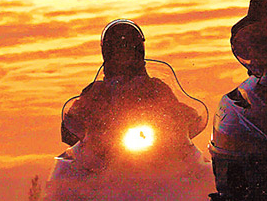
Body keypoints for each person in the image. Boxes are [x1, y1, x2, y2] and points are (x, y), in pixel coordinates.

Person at [61, 20, 206, 147]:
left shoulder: (155, 87)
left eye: (129, 48)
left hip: (156, 155)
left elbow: (175, 108)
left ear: (138, 51)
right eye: (117, 49)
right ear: (108, 53)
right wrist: (73, 125)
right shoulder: (96, 91)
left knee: (197, 167)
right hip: (102, 160)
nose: (123, 54)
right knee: (67, 169)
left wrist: (188, 117)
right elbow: (74, 119)